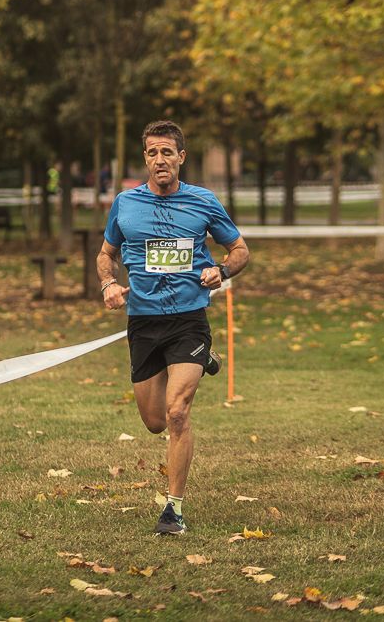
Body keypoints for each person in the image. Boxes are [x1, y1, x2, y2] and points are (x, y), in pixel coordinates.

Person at [97, 120, 250, 535]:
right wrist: (109, 283)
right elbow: (105, 254)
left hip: (188, 319)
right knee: (154, 422)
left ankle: (174, 509)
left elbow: (239, 250)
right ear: (144, 158)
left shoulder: (203, 201)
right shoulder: (125, 204)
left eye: (167, 152)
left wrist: (221, 271)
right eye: (152, 153)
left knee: (177, 412)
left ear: (181, 157)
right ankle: (206, 361)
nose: (160, 160)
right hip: (143, 322)